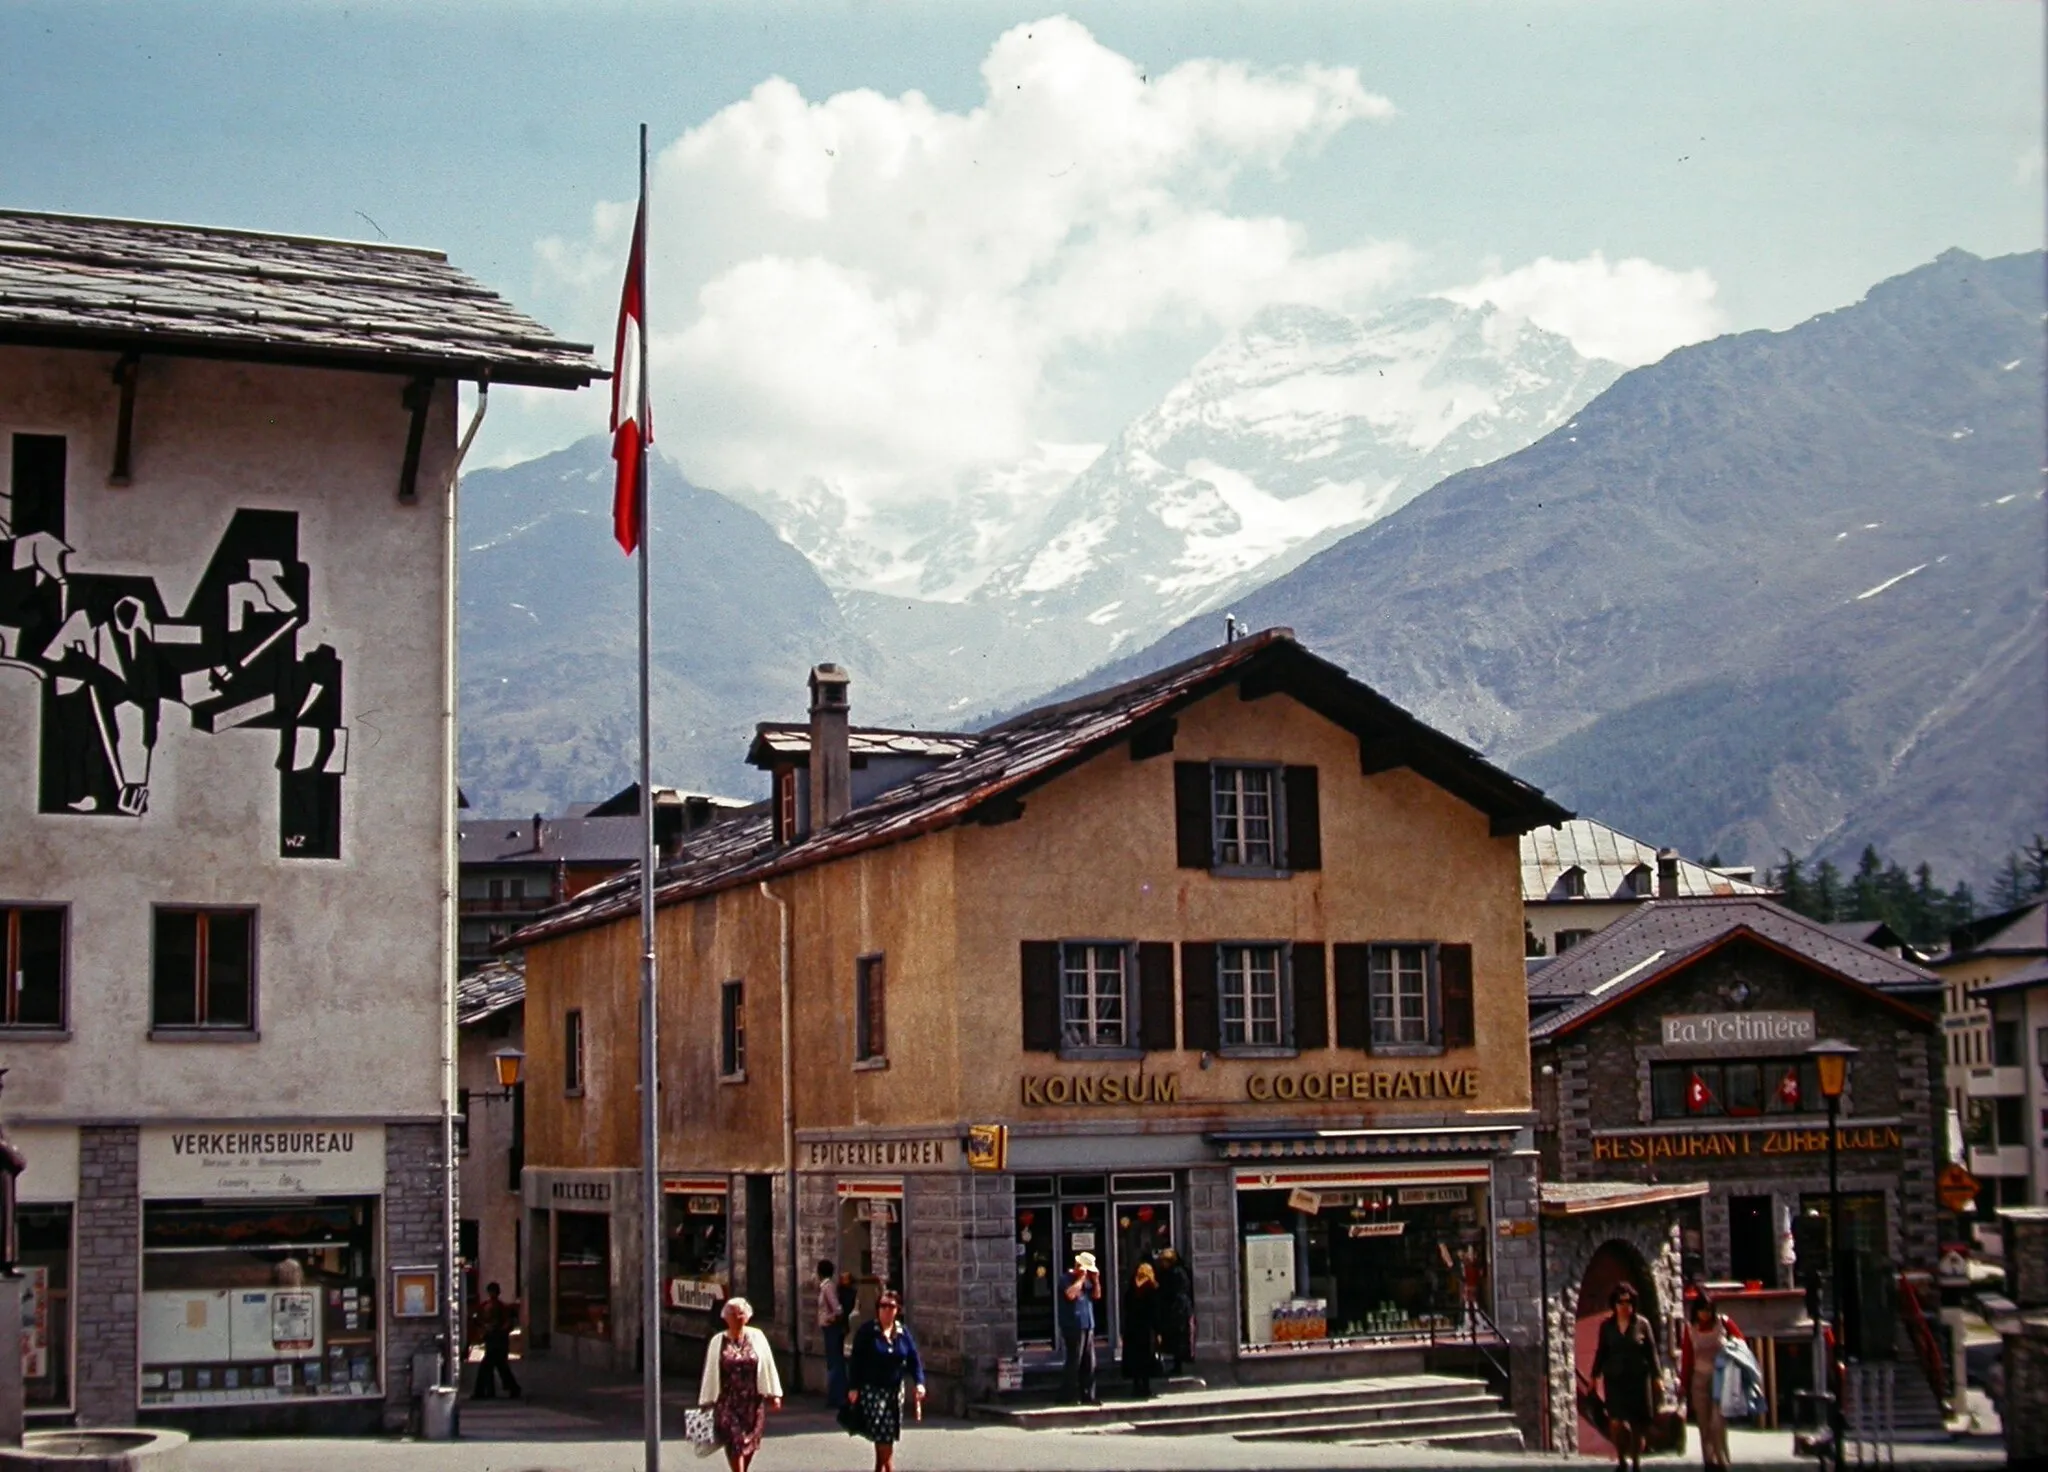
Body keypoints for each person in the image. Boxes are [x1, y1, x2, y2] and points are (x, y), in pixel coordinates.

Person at [699, 1297, 783, 1472]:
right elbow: (710, 1372)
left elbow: (768, 1364)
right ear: (725, 1317)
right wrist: (706, 1400)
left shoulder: (757, 1337)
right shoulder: (718, 1341)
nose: (737, 1316)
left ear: (748, 1316)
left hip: (753, 1402)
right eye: (732, 1313)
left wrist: (775, 1394)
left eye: (741, 1313)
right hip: (727, 1401)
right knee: (735, 1440)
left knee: (749, 1443)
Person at [847, 1290, 925, 1472]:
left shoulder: (902, 1332)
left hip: (896, 1391)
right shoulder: (868, 1332)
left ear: (897, 1309)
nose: (886, 1310)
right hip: (873, 1390)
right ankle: (890, 1469)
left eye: (891, 1306)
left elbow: (914, 1359)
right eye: (882, 1306)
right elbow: (856, 1360)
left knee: (887, 1434)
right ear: (877, 1309)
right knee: (883, 1433)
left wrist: (919, 1382)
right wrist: (853, 1387)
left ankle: (878, 1469)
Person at [1590, 1283, 1660, 1472]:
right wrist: (1594, 1376)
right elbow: (1601, 1352)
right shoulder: (1607, 1326)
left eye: (1628, 1302)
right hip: (1615, 1379)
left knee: (1638, 1423)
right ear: (1614, 1304)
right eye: (1620, 1302)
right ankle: (1621, 1460)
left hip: (1638, 1377)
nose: (1624, 1306)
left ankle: (1636, 1461)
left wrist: (1657, 1377)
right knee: (1616, 1421)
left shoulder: (1642, 1324)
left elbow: (1651, 1352)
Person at [1681, 1294, 1746, 1470]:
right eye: (1702, 1310)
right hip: (1699, 1379)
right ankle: (1709, 1461)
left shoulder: (1723, 1323)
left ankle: (1722, 1460)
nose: (1706, 1314)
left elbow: (1741, 1344)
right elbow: (1687, 1359)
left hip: (1721, 1378)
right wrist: (1683, 1385)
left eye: (1709, 1309)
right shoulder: (1690, 1329)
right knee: (1704, 1424)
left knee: (1717, 1423)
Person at [1059, 1251, 1102, 1405]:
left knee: (1089, 1362)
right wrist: (1081, 1278)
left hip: (1088, 1323)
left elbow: (1097, 1296)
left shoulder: (1089, 1281)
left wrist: (1096, 1281)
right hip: (1073, 1324)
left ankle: (1088, 1395)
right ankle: (1068, 1394)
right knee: (1074, 1361)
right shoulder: (1066, 1279)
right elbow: (1070, 1295)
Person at [470, 1281, 521, 1401]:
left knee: (491, 1367)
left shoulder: (500, 1307)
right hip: (494, 1340)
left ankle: (484, 1391)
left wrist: (496, 1329)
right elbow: (478, 1320)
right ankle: (491, 1390)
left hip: (498, 1340)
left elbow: (507, 1323)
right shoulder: (488, 1306)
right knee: (498, 1366)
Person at [1121, 1261, 1162, 1398]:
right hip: (1146, 1330)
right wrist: (1158, 1331)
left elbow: (1126, 1307)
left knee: (1135, 1359)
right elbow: (1155, 1312)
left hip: (1133, 1329)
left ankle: (1136, 1386)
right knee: (1146, 1359)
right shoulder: (1151, 1288)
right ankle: (1145, 1387)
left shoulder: (1131, 1289)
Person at [818, 1259, 850, 1408]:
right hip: (829, 1328)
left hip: (831, 1328)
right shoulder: (826, 1287)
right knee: (834, 1362)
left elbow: (837, 1309)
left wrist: (828, 1319)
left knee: (835, 1362)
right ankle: (837, 1395)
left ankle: (837, 1396)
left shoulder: (827, 1287)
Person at [1157, 1247, 1194, 1376]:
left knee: (1178, 1339)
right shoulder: (1170, 1272)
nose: (1162, 1264)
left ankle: (1178, 1365)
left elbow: (1177, 1292)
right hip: (1175, 1309)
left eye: (1164, 1261)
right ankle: (1176, 1364)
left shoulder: (1176, 1273)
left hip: (1178, 1310)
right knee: (1175, 1339)